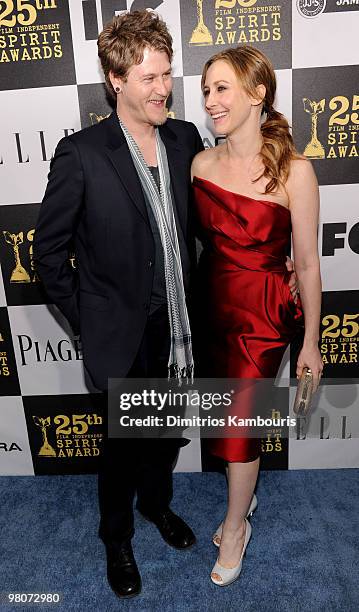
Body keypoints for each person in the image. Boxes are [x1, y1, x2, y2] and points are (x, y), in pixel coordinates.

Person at [33, 11, 204, 599]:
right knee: (122, 448)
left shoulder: (185, 139)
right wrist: (89, 319)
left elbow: (205, 230)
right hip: (119, 334)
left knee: (165, 436)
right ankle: (117, 538)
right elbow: (47, 252)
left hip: (176, 328)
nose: (164, 88)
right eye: (150, 77)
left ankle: (159, 508)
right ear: (115, 78)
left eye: (167, 74)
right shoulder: (82, 154)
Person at [191, 45, 323, 586]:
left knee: (239, 428)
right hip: (211, 307)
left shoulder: (296, 172)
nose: (210, 101)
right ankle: (245, 497)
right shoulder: (200, 164)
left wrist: (312, 341)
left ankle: (236, 524)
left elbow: (310, 265)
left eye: (221, 88)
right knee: (223, 421)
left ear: (257, 93)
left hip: (263, 317)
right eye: (205, 91)